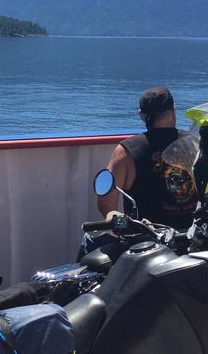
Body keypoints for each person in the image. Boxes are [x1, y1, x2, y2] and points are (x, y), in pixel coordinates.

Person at [78, 87, 197, 260]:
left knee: (89, 239)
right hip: (190, 239)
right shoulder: (195, 144)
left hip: (145, 244)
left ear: (142, 116)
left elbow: (106, 203)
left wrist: (117, 219)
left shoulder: (127, 151)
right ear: (173, 110)